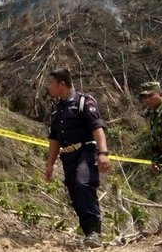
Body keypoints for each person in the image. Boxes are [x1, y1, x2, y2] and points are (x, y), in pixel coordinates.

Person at [45, 68, 110, 248]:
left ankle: (94, 232)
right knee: (74, 191)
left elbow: (97, 128)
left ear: (62, 84)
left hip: (86, 152)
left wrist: (103, 153)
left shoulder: (84, 101)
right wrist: (50, 164)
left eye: (51, 83)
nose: (48, 87)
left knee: (84, 185)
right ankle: (88, 232)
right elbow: (54, 139)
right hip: (68, 156)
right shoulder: (56, 109)